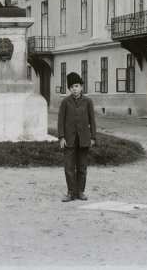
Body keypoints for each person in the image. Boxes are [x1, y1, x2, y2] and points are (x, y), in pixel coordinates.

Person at [57, 72, 97, 202]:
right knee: (69, 166)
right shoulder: (65, 102)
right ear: (69, 89)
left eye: (76, 86)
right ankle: (71, 192)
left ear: (81, 87)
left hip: (84, 138)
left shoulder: (88, 102)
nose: (74, 89)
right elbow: (60, 120)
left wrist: (93, 137)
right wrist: (62, 137)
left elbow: (92, 120)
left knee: (82, 166)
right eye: (71, 87)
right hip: (69, 139)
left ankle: (80, 191)